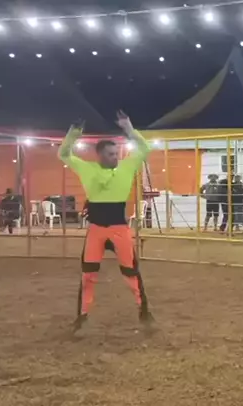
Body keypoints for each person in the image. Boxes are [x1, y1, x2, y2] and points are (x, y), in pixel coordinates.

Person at [59, 112, 153, 332]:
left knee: (131, 272)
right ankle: (82, 316)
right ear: (99, 155)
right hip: (96, 230)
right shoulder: (86, 168)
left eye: (116, 153)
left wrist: (128, 128)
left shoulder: (127, 167)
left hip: (120, 229)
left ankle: (144, 312)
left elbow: (145, 148)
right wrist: (73, 133)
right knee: (88, 275)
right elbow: (63, 153)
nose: (115, 157)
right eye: (111, 154)